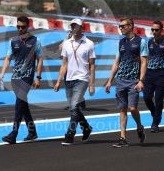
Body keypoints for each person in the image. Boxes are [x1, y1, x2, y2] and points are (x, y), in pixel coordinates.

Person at [0, 16, 43, 144]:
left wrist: (38, 77)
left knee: (19, 104)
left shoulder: (35, 41)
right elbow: (8, 58)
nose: (20, 29)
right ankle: (32, 132)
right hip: (15, 77)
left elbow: (40, 59)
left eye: (22, 27)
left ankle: (14, 133)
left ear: (28, 26)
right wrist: (2, 73)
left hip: (27, 76)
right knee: (23, 105)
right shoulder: (13, 41)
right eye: (18, 27)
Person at [105, 17, 147, 148]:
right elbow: (117, 62)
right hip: (120, 80)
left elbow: (144, 62)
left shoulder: (141, 41)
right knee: (122, 109)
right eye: (120, 26)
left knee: (132, 108)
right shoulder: (121, 42)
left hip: (134, 80)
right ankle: (123, 138)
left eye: (122, 26)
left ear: (130, 26)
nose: (120, 28)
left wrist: (141, 80)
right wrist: (110, 80)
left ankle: (139, 127)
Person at [54, 18, 96, 146]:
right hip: (69, 79)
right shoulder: (67, 43)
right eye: (72, 26)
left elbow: (92, 65)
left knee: (73, 107)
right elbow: (64, 63)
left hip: (82, 79)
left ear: (81, 28)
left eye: (76, 26)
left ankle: (70, 134)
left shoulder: (89, 43)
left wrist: (92, 84)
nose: (74, 28)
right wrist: (58, 81)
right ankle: (86, 127)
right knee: (74, 108)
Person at [143, 21, 164, 132]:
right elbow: (145, 59)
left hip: (161, 74)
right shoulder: (149, 42)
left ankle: (155, 122)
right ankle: (155, 113)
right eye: (152, 30)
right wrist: (141, 76)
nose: (154, 32)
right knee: (146, 98)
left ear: (161, 31)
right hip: (149, 74)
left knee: (159, 99)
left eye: (156, 30)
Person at [59, 30, 87, 110]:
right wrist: (67, 39)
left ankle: (80, 102)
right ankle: (73, 104)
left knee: (78, 86)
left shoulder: (81, 40)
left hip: (78, 67)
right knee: (69, 87)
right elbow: (60, 47)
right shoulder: (67, 40)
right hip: (67, 67)